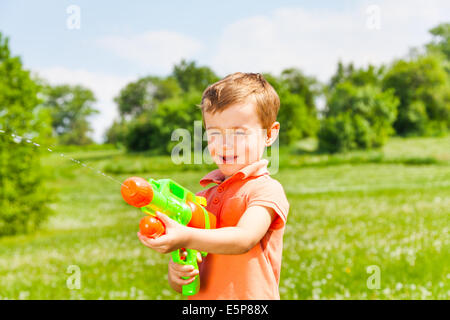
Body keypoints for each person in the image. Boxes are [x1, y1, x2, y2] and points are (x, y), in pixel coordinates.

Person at [138, 72, 290, 299]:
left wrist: (184, 236)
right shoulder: (200, 199)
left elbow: (243, 239)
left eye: (238, 133)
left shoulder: (265, 190)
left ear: (269, 134)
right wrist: (178, 274)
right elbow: (186, 275)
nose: (225, 145)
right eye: (214, 134)